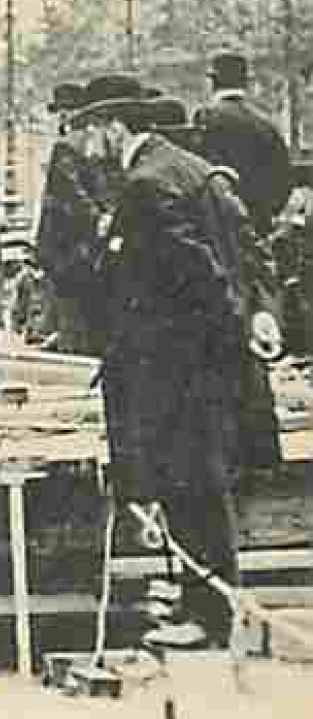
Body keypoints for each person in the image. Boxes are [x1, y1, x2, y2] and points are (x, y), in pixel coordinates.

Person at [76, 80, 283, 649]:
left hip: (179, 367)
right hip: (209, 363)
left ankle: (208, 618)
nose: (85, 146)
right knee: (200, 484)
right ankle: (203, 601)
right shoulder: (198, 171)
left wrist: (229, 326)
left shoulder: (145, 185)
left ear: (114, 127)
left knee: (189, 486)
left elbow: (197, 274)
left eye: (88, 132)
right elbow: (251, 249)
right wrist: (263, 315)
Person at [34, 82, 115, 354]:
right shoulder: (97, 144)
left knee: (71, 314)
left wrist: (96, 219)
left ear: (67, 114)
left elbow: (71, 192)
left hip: (66, 247)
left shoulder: (66, 146)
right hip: (91, 247)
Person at [195, 52, 296, 236]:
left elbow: (198, 172)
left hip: (218, 224)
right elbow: (284, 180)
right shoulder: (266, 122)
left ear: (213, 82)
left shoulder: (206, 116)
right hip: (259, 223)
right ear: (245, 82)